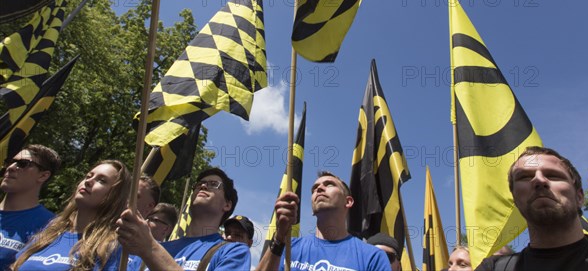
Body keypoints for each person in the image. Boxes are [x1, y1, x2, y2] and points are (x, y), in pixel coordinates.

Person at [476, 146, 588, 271]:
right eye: (524, 177)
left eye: (553, 175)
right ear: (515, 200)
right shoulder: (492, 268)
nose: (539, 180)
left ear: (579, 197)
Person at [117, 167, 250, 270]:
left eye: (214, 184)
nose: (203, 186)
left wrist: (150, 248)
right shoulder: (149, 248)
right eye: (200, 184)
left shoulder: (232, 252)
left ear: (227, 204)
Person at [256, 171, 391, 271]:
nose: (319, 189)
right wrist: (280, 237)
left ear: (348, 201)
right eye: (314, 189)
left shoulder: (372, 256)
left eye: (329, 184)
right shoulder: (289, 247)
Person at [10, 159, 131, 270]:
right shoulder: (49, 232)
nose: (89, 181)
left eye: (101, 180)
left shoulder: (113, 248)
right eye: (88, 176)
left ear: (116, 196)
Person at [0, 144, 61, 270]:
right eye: (10, 162)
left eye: (22, 164)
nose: (10, 168)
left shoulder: (51, 227)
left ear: (43, 175)